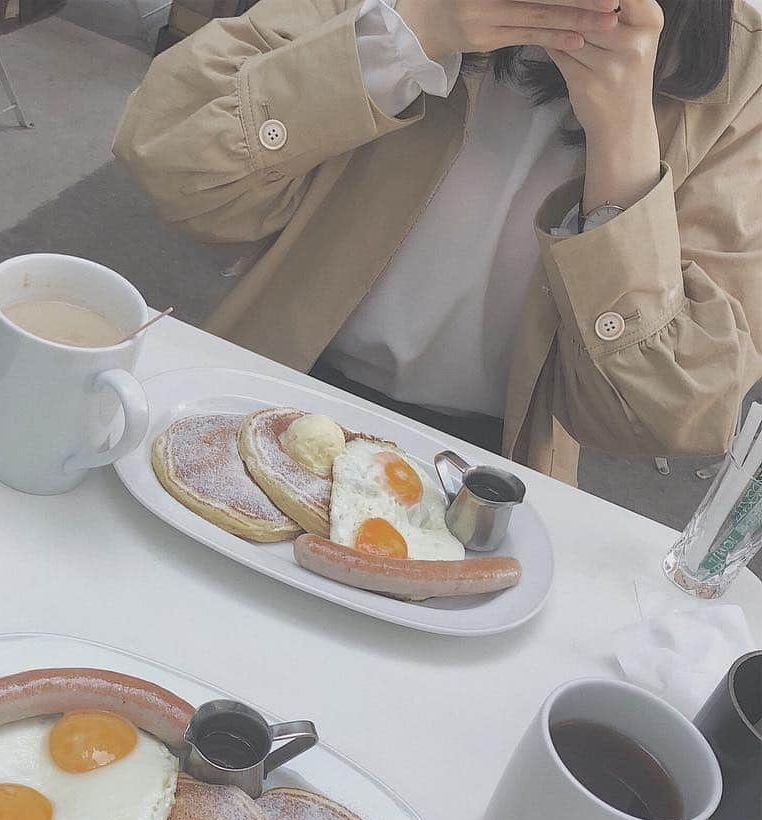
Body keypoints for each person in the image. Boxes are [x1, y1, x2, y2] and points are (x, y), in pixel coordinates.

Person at [114, 0, 762, 483]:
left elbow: (678, 413)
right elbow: (170, 156)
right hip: (274, 380)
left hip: (487, 471)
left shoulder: (741, 74)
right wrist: (407, 35)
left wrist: (624, 144)